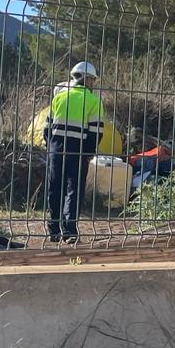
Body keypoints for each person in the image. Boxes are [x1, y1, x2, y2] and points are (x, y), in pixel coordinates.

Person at [44, 61, 105, 244]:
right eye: (92, 80)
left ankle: (53, 230)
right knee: (74, 189)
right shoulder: (93, 101)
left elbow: (46, 128)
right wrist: (88, 153)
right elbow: (96, 132)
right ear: (87, 79)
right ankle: (69, 231)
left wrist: (51, 145)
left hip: (56, 148)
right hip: (78, 150)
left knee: (55, 187)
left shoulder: (59, 97)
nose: (93, 83)